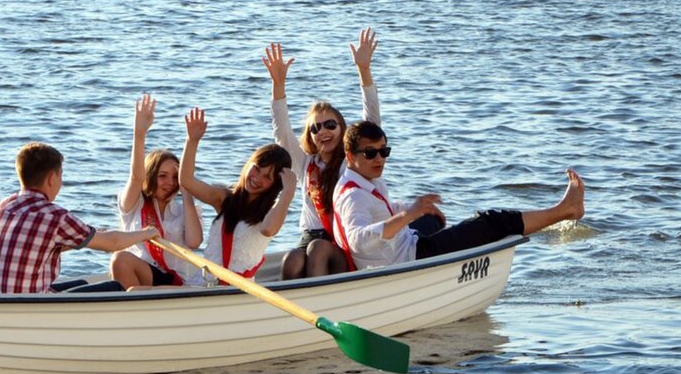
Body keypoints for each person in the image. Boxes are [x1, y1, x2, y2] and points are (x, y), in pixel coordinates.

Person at [331, 121, 586, 269]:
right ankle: (566, 210)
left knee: (434, 219)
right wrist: (408, 215)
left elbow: (382, 207)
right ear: (350, 156)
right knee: (491, 222)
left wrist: (412, 208)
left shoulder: (357, 179)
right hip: (410, 256)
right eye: (371, 153)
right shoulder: (353, 196)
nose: (379, 159)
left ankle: (451, 237)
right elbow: (358, 240)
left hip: (401, 244)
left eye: (384, 151)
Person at [263, 29, 384, 280]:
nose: (323, 131)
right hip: (310, 237)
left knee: (317, 250)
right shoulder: (306, 163)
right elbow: (282, 133)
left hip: (338, 240)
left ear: (342, 128)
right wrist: (278, 85)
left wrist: (364, 71)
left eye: (330, 125)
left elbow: (372, 121)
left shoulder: (352, 164)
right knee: (292, 260)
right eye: (315, 128)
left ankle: (324, 306)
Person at [0, 142, 159, 294]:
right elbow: (111, 243)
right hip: (29, 305)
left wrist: (84, 238)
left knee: (81, 283)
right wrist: (147, 233)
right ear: (51, 178)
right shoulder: (55, 216)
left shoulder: (4, 206)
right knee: (115, 287)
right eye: (60, 176)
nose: (61, 183)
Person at [177, 108, 296, 286]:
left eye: (267, 177)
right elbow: (186, 181)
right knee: (138, 291)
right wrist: (192, 141)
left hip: (239, 289)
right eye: (256, 168)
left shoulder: (272, 211)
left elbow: (268, 230)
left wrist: (288, 192)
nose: (257, 178)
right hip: (205, 283)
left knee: (140, 291)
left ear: (275, 185)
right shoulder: (224, 198)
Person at [110, 94, 204, 290]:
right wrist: (139, 133)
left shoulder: (183, 210)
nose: (170, 182)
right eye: (162, 176)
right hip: (141, 274)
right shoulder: (133, 204)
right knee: (120, 259)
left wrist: (186, 188)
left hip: (176, 282)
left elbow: (194, 242)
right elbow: (136, 178)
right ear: (151, 176)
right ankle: (136, 303)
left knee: (132, 281)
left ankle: (140, 298)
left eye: (175, 176)